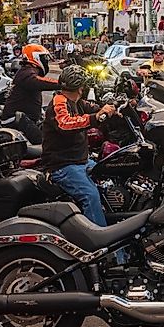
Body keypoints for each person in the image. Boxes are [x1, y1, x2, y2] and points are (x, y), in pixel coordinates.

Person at [41, 65, 115, 227]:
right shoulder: (59, 102)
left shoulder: (77, 102)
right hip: (63, 165)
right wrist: (96, 117)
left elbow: (94, 108)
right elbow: (65, 124)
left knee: (112, 173)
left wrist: (112, 109)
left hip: (80, 161)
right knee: (90, 195)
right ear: (81, 88)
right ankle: (100, 241)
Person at [2, 44, 60, 130]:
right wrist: (62, 84)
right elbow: (39, 82)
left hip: (26, 118)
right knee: (41, 140)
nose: (46, 61)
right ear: (35, 57)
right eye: (44, 58)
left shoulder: (27, 70)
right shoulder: (27, 72)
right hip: (18, 120)